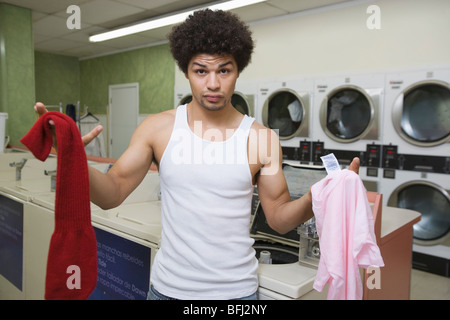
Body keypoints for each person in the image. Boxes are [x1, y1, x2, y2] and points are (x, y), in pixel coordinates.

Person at [34, 9, 360, 300]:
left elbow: (277, 218)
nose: (213, 84)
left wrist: (315, 199)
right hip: (168, 289)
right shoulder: (157, 129)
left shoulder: (261, 139)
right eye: (201, 71)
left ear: (237, 71)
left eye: (224, 70)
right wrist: (73, 153)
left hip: (237, 293)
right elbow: (111, 193)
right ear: (186, 71)